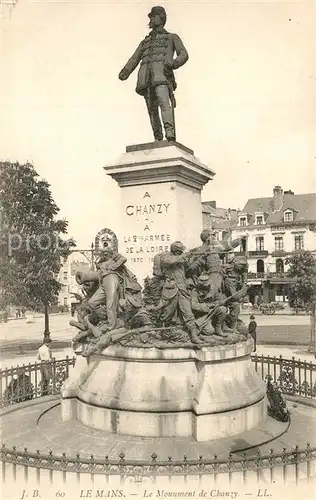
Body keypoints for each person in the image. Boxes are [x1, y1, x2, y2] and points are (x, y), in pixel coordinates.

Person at [118, 6, 189, 142]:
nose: (150, 19)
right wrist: (125, 71)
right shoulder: (145, 41)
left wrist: (174, 63)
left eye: (153, 16)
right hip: (146, 79)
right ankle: (157, 137)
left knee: (164, 104)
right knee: (152, 110)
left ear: (161, 18)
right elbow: (135, 58)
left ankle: (170, 133)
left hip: (162, 76)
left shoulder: (171, 37)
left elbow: (184, 54)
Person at [156, 241, 202, 344]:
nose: (181, 252)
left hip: (182, 288)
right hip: (170, 289)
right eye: (180, 251)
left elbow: (189, 267)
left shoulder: (182, 257)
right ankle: (162, 332)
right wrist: (185, 255)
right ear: (175, 250)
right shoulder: (165, 257)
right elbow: (171, 262)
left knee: (188, 312)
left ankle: (194, 335)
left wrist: (197, 257)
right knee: (167, 314)